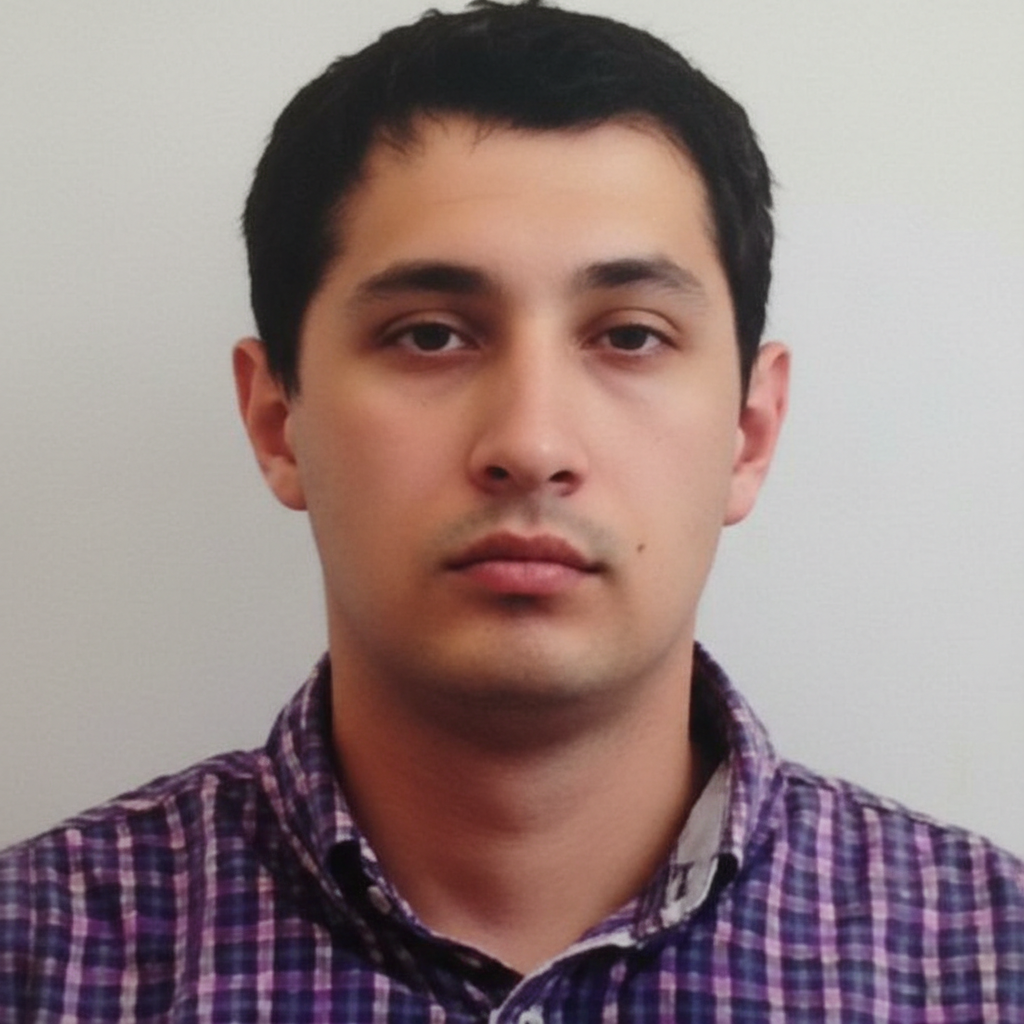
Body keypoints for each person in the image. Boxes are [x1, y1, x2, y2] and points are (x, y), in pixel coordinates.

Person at [1, 1, 1021, 1020]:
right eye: (430, 336)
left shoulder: (988, 965)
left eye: (629, 336)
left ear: (749, 432)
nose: (531, 445)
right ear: (277, 422)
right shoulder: (35, 960)